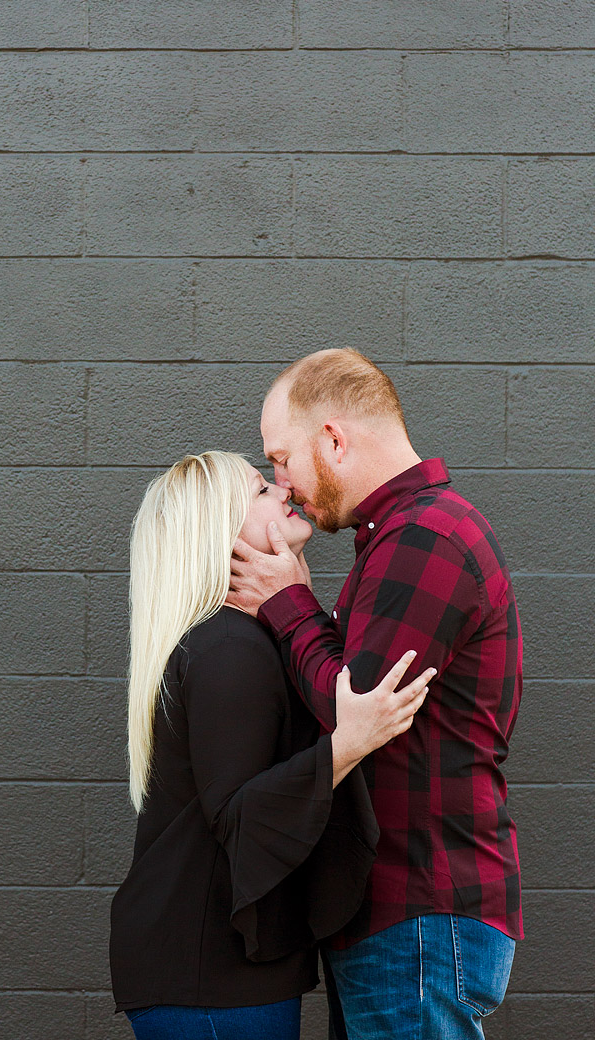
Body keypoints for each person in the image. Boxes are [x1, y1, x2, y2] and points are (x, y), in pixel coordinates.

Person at [228, 348, 523, 1040]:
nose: (284, 483)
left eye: (282, 459)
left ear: (333, 439)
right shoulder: (400, 536)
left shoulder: (426, 536)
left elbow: (353, 711)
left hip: (417, 909)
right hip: (406, 915)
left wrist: (287, 602)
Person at [109, 451, 436, 1040]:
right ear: (222, 532)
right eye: (262, 490)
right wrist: (349, 743)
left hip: (214, 973)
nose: (282, 492)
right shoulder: (230, 649)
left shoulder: (235, 640)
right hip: (209, 977)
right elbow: (240, 819)